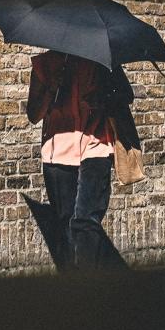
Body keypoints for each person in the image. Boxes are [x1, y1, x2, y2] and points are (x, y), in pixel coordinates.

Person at [26, 50, 136, 272]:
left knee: (86, 221)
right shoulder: (45, 64)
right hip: (58, 152)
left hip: (96, 146)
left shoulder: (103, 62)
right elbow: (33, 114)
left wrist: (103, 96)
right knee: (66, 222)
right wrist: (50, 89)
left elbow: (126, 95)